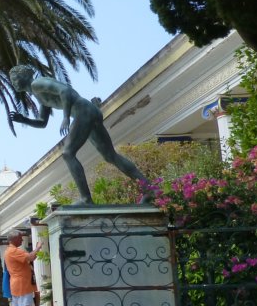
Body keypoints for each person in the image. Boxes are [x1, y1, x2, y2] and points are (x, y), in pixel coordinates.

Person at [8, 64, 151, 204]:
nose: (13, 83)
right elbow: (42, 122)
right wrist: (24, 120)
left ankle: (86, 199)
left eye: (14, 78)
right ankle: (149, 190)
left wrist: (65, 117)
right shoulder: (38, 95)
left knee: (68, 154)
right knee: (110, 156)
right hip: (88, 111)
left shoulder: (37, 84)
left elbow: (65, 91)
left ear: (24, 76)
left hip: (83, 111)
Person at [4, 229, 43, 306]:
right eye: (20, 237)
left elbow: (31, 258)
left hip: (16, 284)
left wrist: (35, 252)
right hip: (22, 284)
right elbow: (31, 256)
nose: (22, 239)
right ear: (14, 239)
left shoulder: (9, 251)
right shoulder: (14, 251)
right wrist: (38, 247)